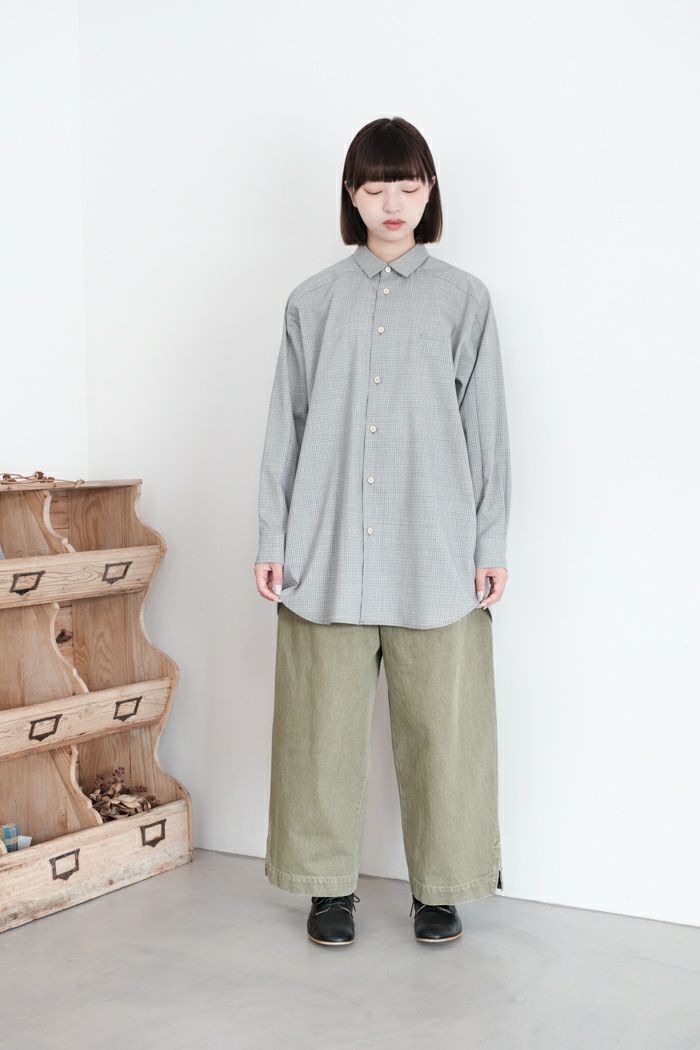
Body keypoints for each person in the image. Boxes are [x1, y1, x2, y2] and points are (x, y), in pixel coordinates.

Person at [253, 116, 511, 947]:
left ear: (429, 191)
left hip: (435, 551)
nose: (392, 202)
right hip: (324, 549)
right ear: (351, 196)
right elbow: (286, 426)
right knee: (318, 730)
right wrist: (272, 536)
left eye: (407, 184)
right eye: (374, 186)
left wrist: (490, 544)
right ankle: (326, 887)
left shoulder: (464, 299)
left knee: (446, 731)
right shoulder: (312, 301)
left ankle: (444, 887)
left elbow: (486, 431)